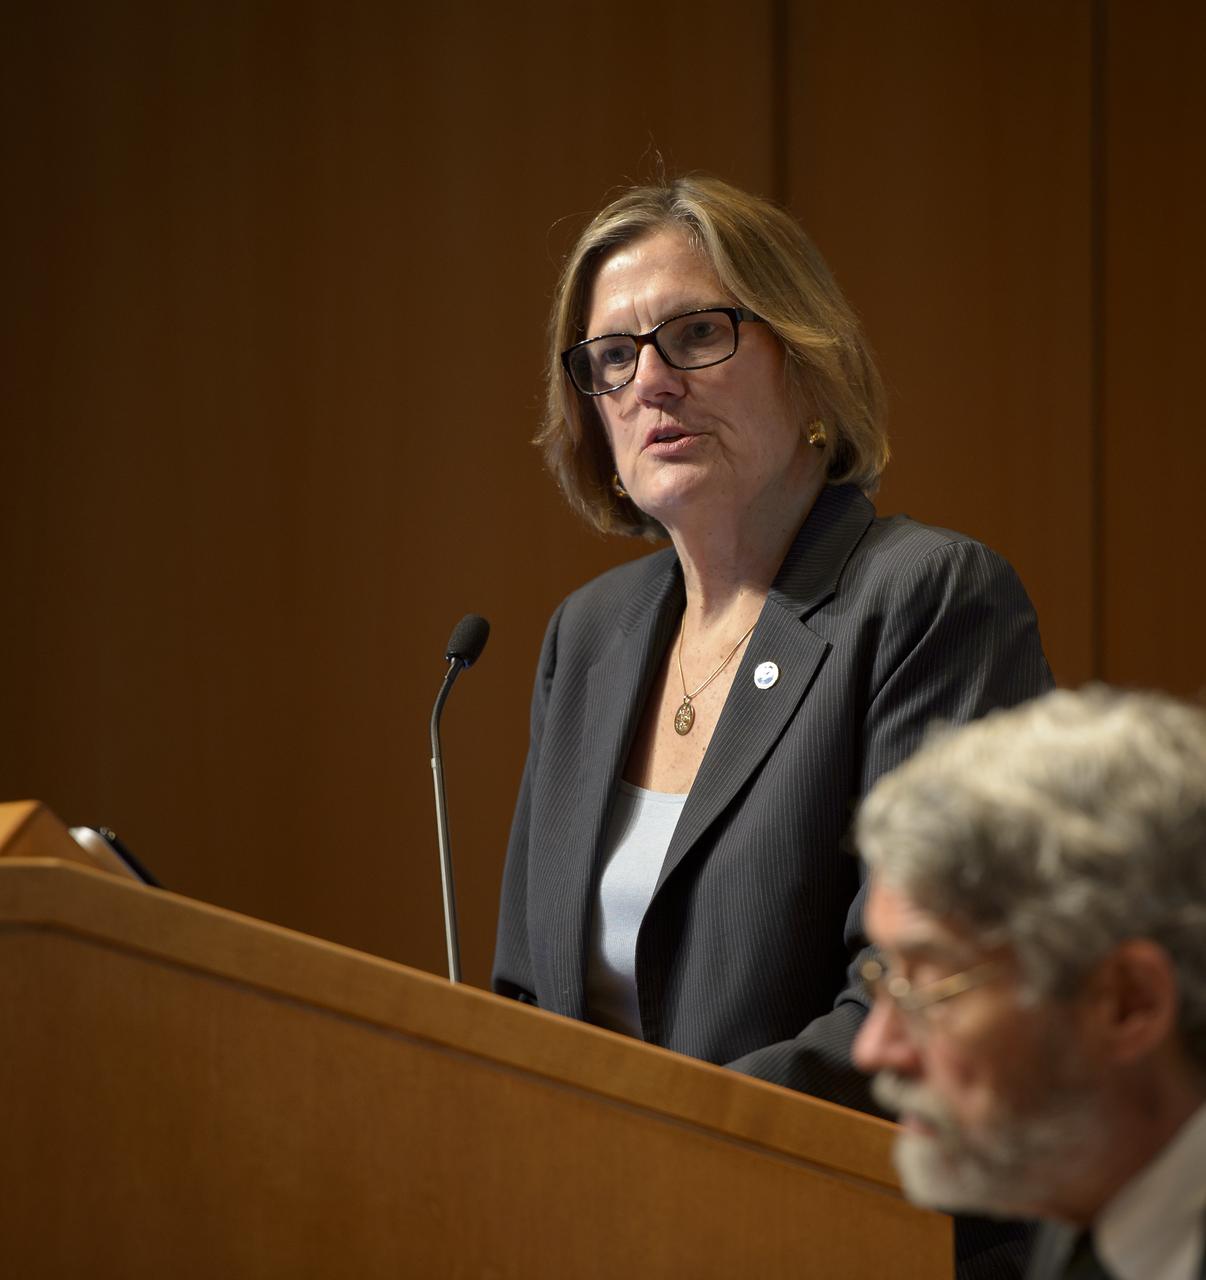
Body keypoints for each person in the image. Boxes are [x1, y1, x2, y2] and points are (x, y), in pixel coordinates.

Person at [492, 174, 1051, 1274]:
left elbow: (927, 1001)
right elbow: (526, 995)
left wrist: (650, 1148)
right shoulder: (589, 639)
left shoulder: (925, 599)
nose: (649, 378)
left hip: (841, 1230)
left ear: (807, 362)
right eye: (612, 356)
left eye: (696, 333)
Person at [852, 687, 1206, 1280]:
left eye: (932, 986)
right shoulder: (1078, 1174)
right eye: (885, 976)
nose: (874, 1048)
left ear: (1128, 1003)